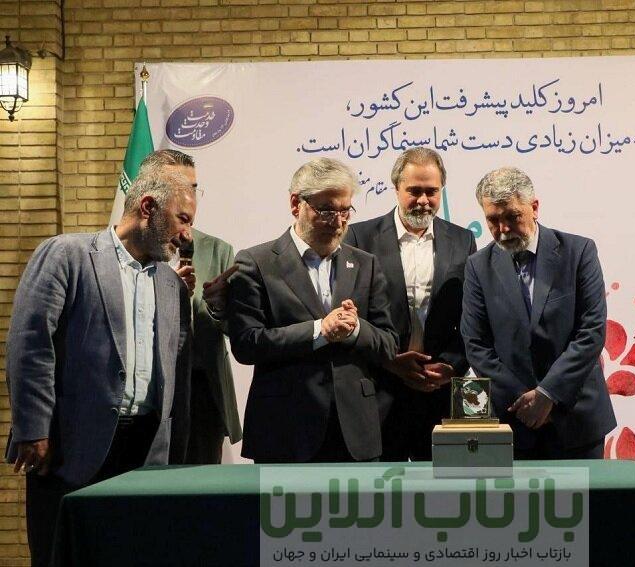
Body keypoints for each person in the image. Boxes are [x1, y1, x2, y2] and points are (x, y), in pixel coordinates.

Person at [5, 163, 195, 566]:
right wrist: (33, 427)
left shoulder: (172, 284)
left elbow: (178, 376)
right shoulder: (66, 255)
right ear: (148, 207)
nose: (187, 235)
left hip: (146, 454)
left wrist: (176, 452)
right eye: (182, 219)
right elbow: (30, 342)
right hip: (70, 448)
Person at [228, 157, 398, 463]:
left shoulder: (365, 264)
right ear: (296, 204)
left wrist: (355, 328)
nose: (338, 222)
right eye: (327, 211)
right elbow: (247, 344)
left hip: (355, 434)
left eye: (345, 211)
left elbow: (388, 344)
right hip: (284, 430)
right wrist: (320, 330)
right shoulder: (256, 262)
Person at [461, 167, 616, 459]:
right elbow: (476, 345)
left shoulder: (578, 252)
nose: (503, 229)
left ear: (534, 208)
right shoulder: (478, 267)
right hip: (514, 422)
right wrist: (526, 403)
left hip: (576, 420)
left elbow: (591, 331)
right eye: (493, 220)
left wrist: (548, 395)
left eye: (512, 217)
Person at [345, 148, 476, 461]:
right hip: (379, 390)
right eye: (414, 191)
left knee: (441, 487)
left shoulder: (463, 240)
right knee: (381, 486)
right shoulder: (359, 237)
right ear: (396, 188)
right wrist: (390, 361)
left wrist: (452, 366)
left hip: (440, 394)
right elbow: (351, 316)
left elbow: (472, 315)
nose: (423, 200)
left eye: (432, 191)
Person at [138, 150, 242, 464]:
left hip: (200, 389)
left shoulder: (217, 250)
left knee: (200, 485)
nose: (189, 195)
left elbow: (237, 330)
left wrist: (220, 308)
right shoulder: (134, 250)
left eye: (194, 188)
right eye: (181, 186)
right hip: (145, 387)